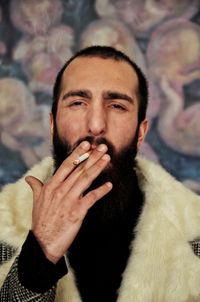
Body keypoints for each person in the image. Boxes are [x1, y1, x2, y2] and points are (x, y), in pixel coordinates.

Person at [0, 45, 200, 302]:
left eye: (116, 105)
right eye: (78, 103)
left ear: (141, 133)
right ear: (52, 125)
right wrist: (41, 254)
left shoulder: (195, 228)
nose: (96, 126)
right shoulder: (3, 224)